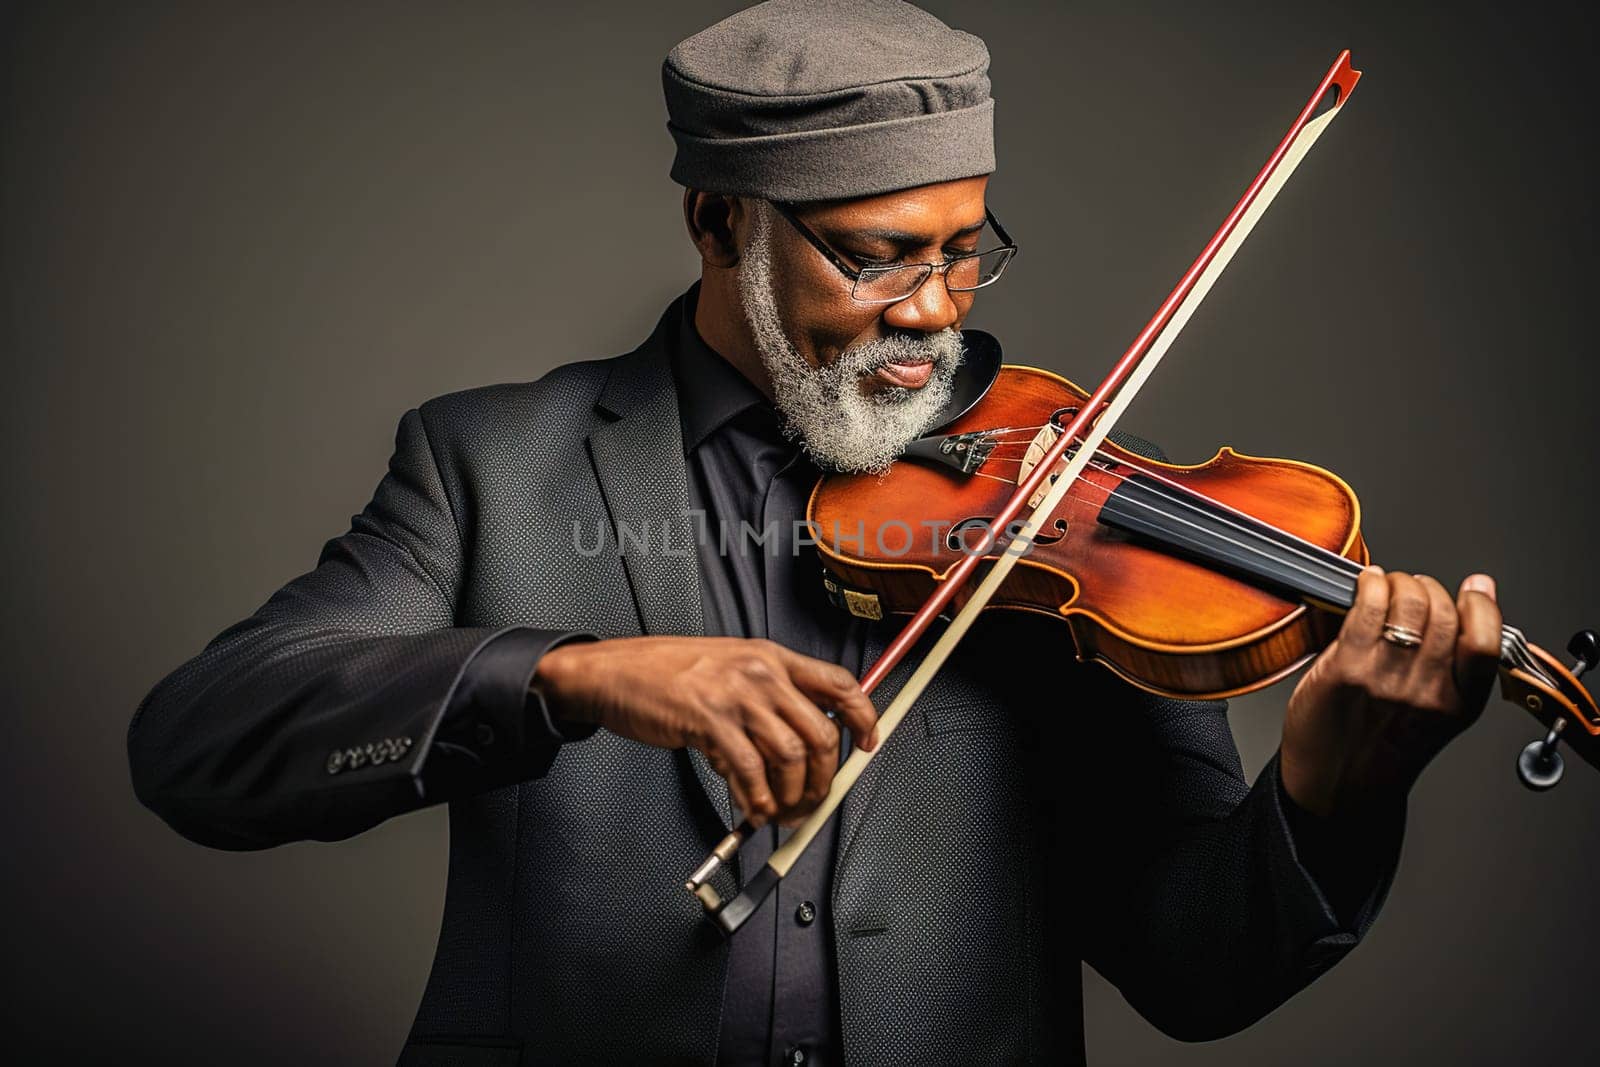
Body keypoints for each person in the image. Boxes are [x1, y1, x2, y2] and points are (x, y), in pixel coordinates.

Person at [127, 2, 1505, 1064]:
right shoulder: (491, 464)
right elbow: (199, 744)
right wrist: (565, 673)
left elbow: (1193, 970)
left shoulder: (1063, 508)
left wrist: (1333, 793)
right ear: (719, 224)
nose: (930, 308)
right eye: (872, 252)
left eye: (964, 248)